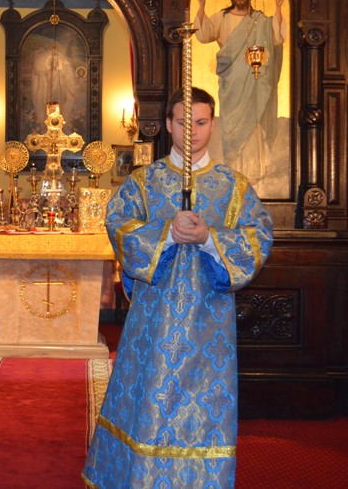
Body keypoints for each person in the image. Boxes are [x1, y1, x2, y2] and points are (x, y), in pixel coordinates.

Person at [83, 87, 273, 488]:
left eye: (201, 122)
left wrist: (209, 238)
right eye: (185, 122)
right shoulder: (143, 182)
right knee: (148, 403)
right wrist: (167, 233)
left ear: (213, 124)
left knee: (204, 406)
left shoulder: (233, 186)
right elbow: (118, 223)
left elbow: (258, 237)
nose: (193, 132)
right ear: (169, 124)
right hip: (153, 319)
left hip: (209, 323)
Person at [194, 0, 285, 188]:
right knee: (231, 124)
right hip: (231, 81)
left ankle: (254, 170)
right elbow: (204, 34)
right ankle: (232, 168)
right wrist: (201, 6)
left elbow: (277, 36)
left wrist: (278, 8)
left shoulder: (259, 20)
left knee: (253, 119)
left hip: (253, 81)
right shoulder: (223, 17)